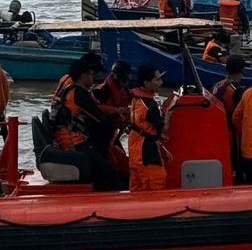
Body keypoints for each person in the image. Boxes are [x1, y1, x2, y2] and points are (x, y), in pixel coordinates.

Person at [53, 60, 122, 191]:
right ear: (82, 75)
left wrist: (116, 110)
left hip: (73, 138)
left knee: (108, 161)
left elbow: (96, 110)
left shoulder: (72, 90)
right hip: (74, 142)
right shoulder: (79, 94)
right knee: (108, 172)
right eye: (90, 74)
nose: (93, 77)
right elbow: (99, 117)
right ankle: (110, 193)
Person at [128, 64, 171, 192]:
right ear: (147, 83)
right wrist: (169, 115)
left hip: (135, 146)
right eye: (157, 79)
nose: (161, 82)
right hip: (146, 150)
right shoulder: (149, 105)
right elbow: (164, 129)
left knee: (137, 185)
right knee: (156, 180)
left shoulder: (136, 98)